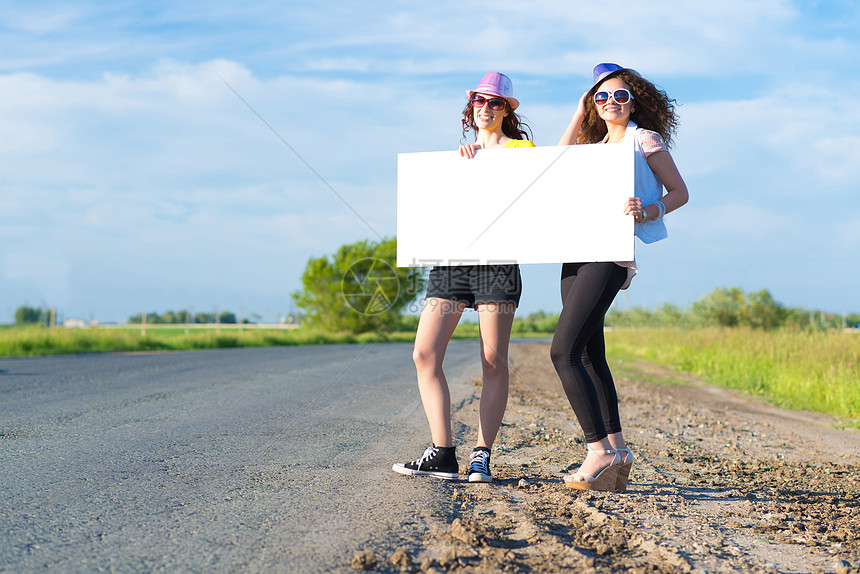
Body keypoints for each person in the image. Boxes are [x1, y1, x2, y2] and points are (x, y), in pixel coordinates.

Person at [552, 63, 689, 491]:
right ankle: (620, 451)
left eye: (620, 96)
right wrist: (577, 114)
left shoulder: (643, 139)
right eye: (602, 97)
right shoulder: (590, 145)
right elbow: (554, 165)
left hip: (609, 254)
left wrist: (646, 211)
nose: (612, 102)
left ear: (634, 102)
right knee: (591, 355)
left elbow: (680, 193)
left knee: (563, 351)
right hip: (574, 253)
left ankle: (599, 451)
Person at [393, 72, 534, 483]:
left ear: (507, 110)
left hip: (497, 264)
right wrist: (458, 168)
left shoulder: (521, 150)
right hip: (453, 262)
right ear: (470, 107)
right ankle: (442, 452)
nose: (486, 108)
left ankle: (482, 456)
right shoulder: (457, 159)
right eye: (479, 101)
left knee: (492, 359)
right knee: (424, 354)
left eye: (495, 103)